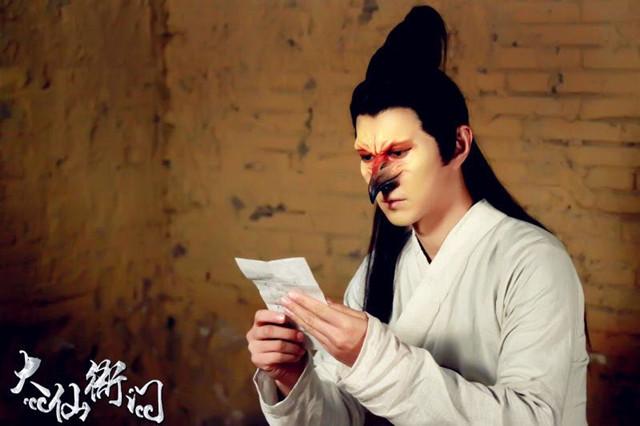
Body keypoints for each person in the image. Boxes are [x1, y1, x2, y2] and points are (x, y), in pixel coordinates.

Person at [245, 5, 588, 425]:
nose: (379, 178)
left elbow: (533, 419)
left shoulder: (533, 261)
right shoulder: (376, 272)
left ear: (458, 145)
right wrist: (293, 376)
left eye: (398, 152)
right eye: (366, 156)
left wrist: (372, 355)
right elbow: (345, 418)